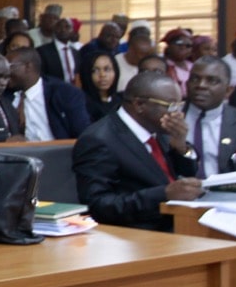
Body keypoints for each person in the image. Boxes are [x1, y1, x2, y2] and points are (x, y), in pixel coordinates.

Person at [73, 71, 203, 231]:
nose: (177, 114)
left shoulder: (161, 130)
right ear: (139, 104)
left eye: (179, 105)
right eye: (171, 106)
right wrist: (164, 194)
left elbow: (186, 174)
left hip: (181, 222)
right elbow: (98, 206)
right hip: (138, 235)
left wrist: (181, 147)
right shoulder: (99, 139)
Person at [184, 56, 236, 179]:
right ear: (187, 84)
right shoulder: (168, 119)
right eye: (195, 79)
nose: (201, 85)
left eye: (212, 81)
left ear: (228, 91)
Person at [6, 48, 90, 141]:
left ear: (28, 67)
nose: (5, 71)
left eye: (9, 66)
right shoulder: (4, 95)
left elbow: (83, 135)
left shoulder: (64, 94)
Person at [82, 51, 123, 122]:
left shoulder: (121, 101)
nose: (102, 75)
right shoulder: (82, 104)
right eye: (95, 70)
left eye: (107, 69)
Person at [161, 28, 194, 95]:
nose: (183, 48)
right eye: (179, 43)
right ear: (169, 46)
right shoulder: (163, 66)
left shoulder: (193, 66)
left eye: (188, 45)